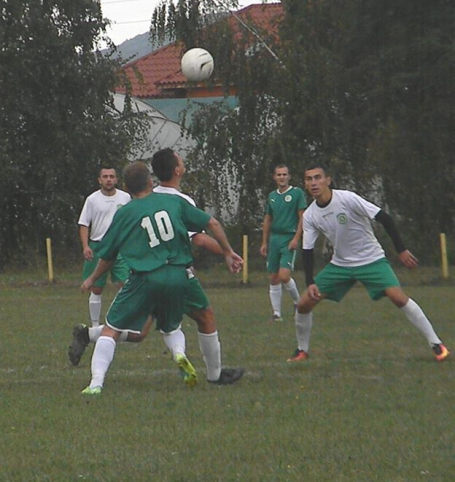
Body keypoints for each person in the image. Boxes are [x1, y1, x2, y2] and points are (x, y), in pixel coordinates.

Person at [69, 149, 244, 385]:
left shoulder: (133, 206)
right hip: (178, 272)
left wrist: (91, 278)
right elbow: (200, 236)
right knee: (200, 318)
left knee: (139, 331)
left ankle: (89, 338)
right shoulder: (177, 201)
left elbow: (109, 252)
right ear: (176, 170)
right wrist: (227, 252)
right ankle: (212, 373)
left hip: (144, 276)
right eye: (181, 160)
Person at [288, 163, 449, 362]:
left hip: (371, 259)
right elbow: (307, 250)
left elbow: (385, 218)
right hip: (341, 265)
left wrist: (401, 250)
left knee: (398, 298)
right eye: (309, 179)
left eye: (318, 177)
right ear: (305, 184)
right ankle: (302, 350)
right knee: (304, 304)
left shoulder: (347, 198)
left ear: (327, 180)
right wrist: (310, 281)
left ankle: (436, 344)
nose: (314, 183)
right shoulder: (311, 215)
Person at [77, 167, 131, 327]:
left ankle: (119, 321)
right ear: (99, 180)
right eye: (105, 176)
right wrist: (86, 246)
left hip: (120, 247)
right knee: (96, 287)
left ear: (116, 179)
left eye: (112, 176)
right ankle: (95, 325)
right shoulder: (92, 199)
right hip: (98, 246)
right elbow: (84, 223)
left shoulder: (125, 198)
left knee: (125, 284)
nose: (108, 179)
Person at [260, 164, 307, 321]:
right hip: (275, 238)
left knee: (284, 275)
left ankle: (297, 302)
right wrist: (264, 242)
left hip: (289, 237)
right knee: (273, 277)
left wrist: (296, 238)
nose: (282, 177)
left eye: (284, 174)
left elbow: (302, 218)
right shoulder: (272, 196)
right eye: (279, 174)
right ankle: (276, 313)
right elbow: (268, 219)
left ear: (289, 177)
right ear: (275, 177)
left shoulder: (297, 193)